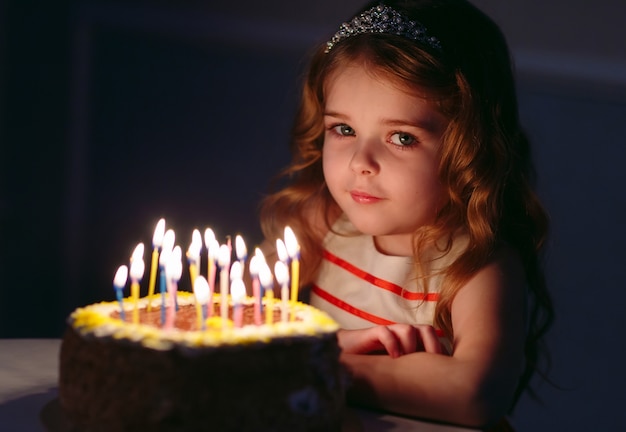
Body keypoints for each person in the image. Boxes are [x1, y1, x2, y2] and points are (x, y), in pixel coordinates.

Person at [259, 0, 554, 429]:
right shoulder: (320, 223)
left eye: (401, 137)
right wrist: (331, 348)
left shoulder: (475, 266)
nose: (361, 161)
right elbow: (239, 327)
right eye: (343, 129)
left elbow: (476, 393)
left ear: (468, 149)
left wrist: (317, 364)